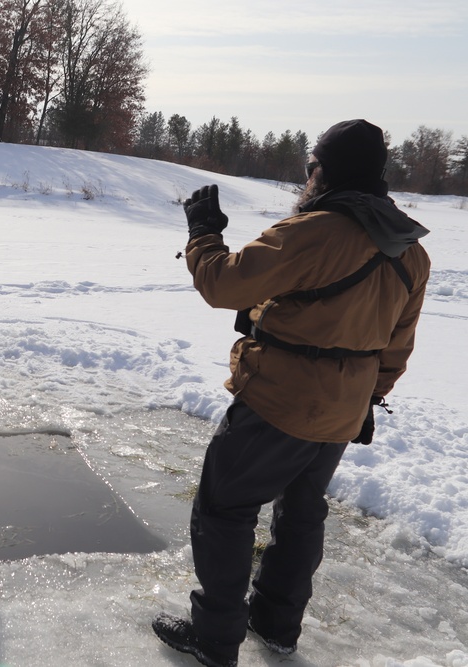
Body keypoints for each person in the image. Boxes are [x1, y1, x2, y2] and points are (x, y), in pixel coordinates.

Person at [152, 119, 431, 667]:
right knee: (302, 513)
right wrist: (368, 399)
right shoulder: (410, 252)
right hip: (343, 413)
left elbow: (224, 285)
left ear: (326, 171)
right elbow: (397, 346)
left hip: (279, 402)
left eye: (312, 165)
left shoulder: (314, 231)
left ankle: (214, 638)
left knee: (224, 509)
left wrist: (203, 233)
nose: (307, 176)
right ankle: (277, 625)